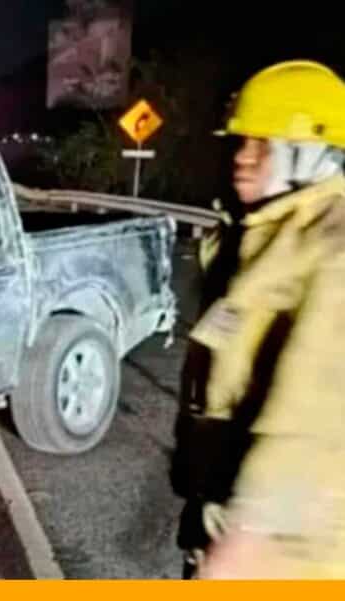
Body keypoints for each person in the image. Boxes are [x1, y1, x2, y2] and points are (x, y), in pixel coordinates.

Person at [178, 60, 345, 579]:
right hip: (225, 518)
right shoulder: (258, 236)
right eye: (241, 141)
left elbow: (320, 418)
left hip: (287, 552)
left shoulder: (331, 247)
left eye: (263, 144)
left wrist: (251, 537)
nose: (243, 158)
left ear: (313, 155)